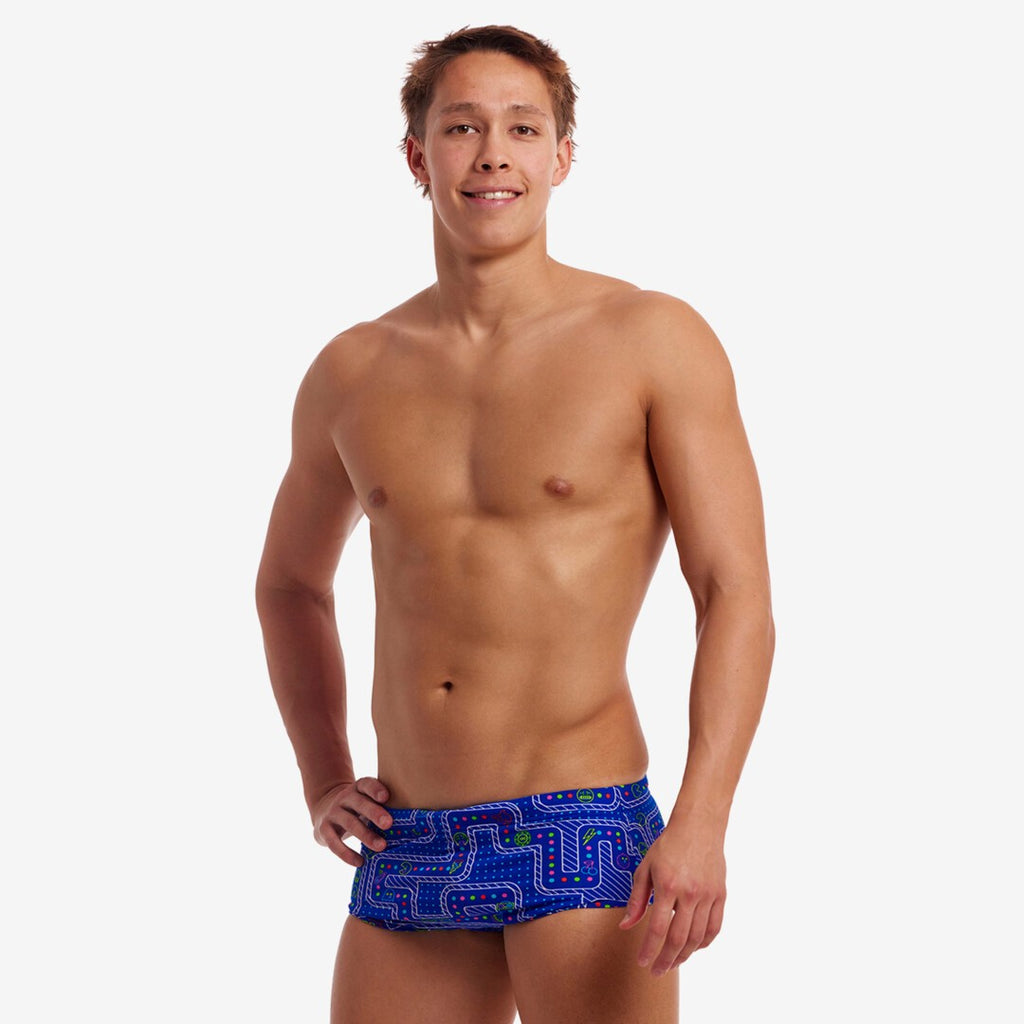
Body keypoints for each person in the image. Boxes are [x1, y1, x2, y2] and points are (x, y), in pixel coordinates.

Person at [256, 24, 774, 1024]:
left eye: (522, 128)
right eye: (462, 127)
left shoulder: (650, 338)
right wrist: (323, 774)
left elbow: (733, 590)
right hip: (408, 840)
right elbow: (287, 585)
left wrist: (703, 820)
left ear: (561, 157)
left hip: (579, 831)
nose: (493, 153)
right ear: (418, 157)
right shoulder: (352, 370)